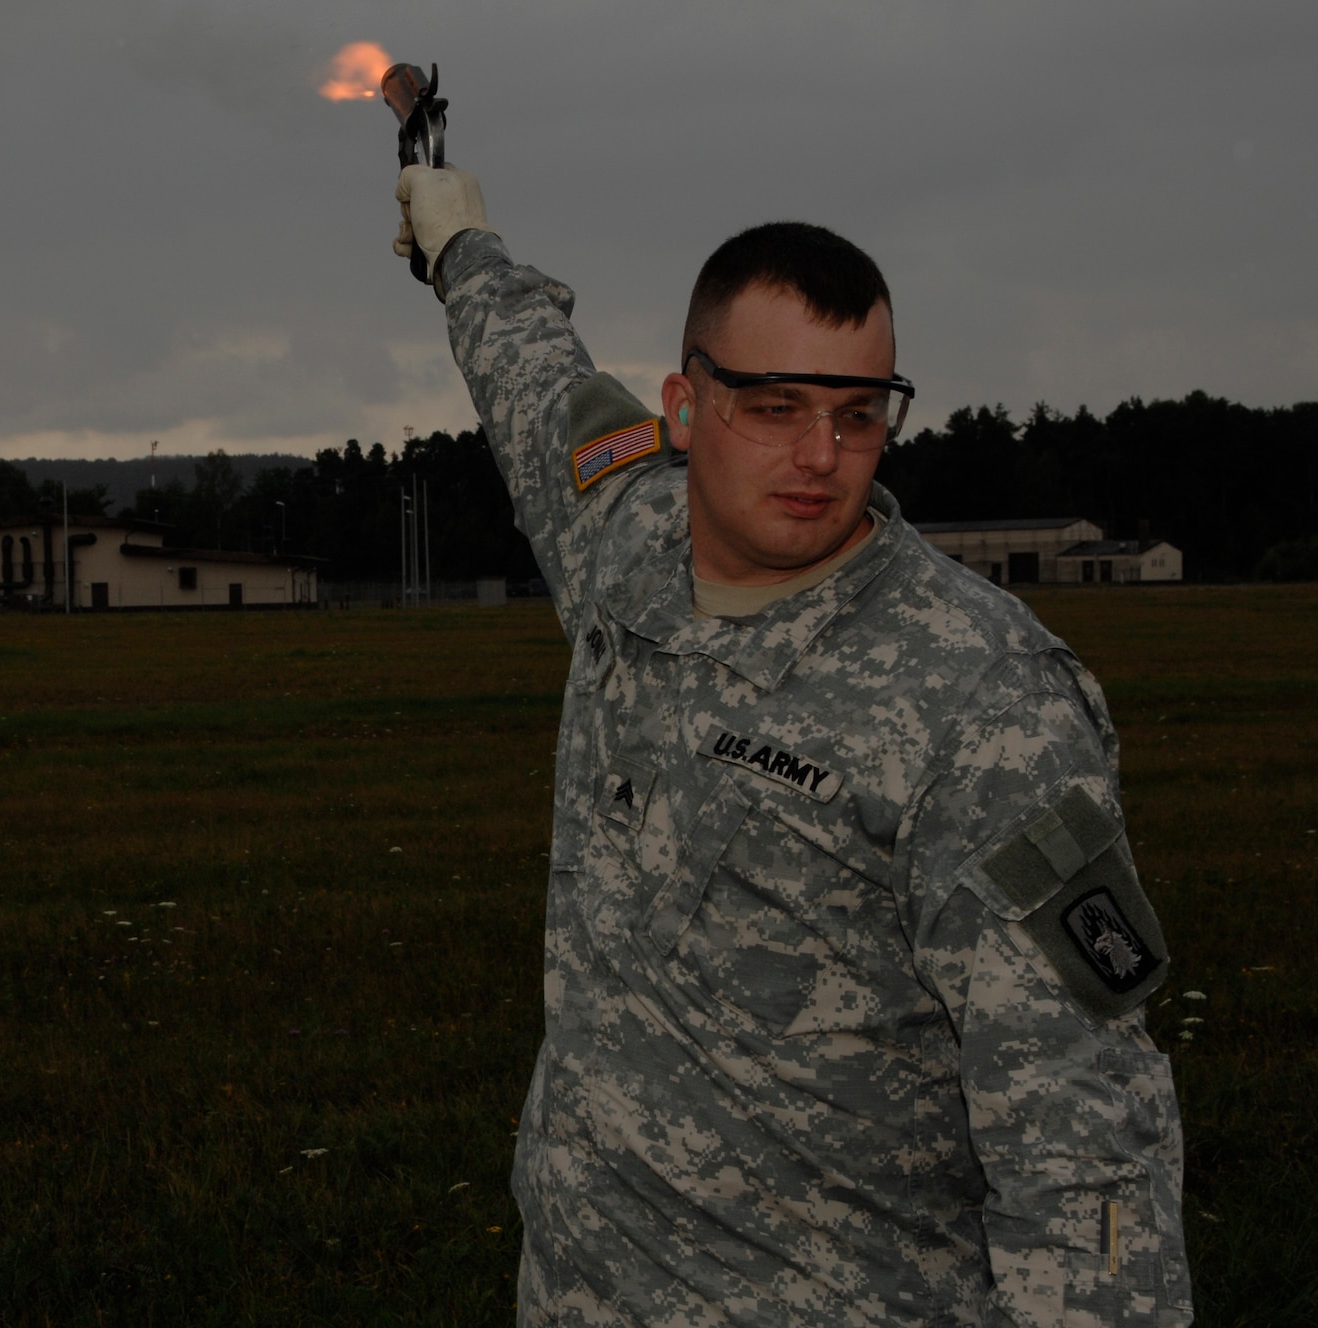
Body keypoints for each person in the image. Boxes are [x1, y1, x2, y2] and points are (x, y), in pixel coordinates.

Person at [392, 165, 1192, 1326]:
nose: (820, 453)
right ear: (681, 405)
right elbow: (530, 374)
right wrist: (459, 245)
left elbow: (1084, 1148)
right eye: (773, 406)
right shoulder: (624, 540)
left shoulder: (978, 699)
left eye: (857, 411)